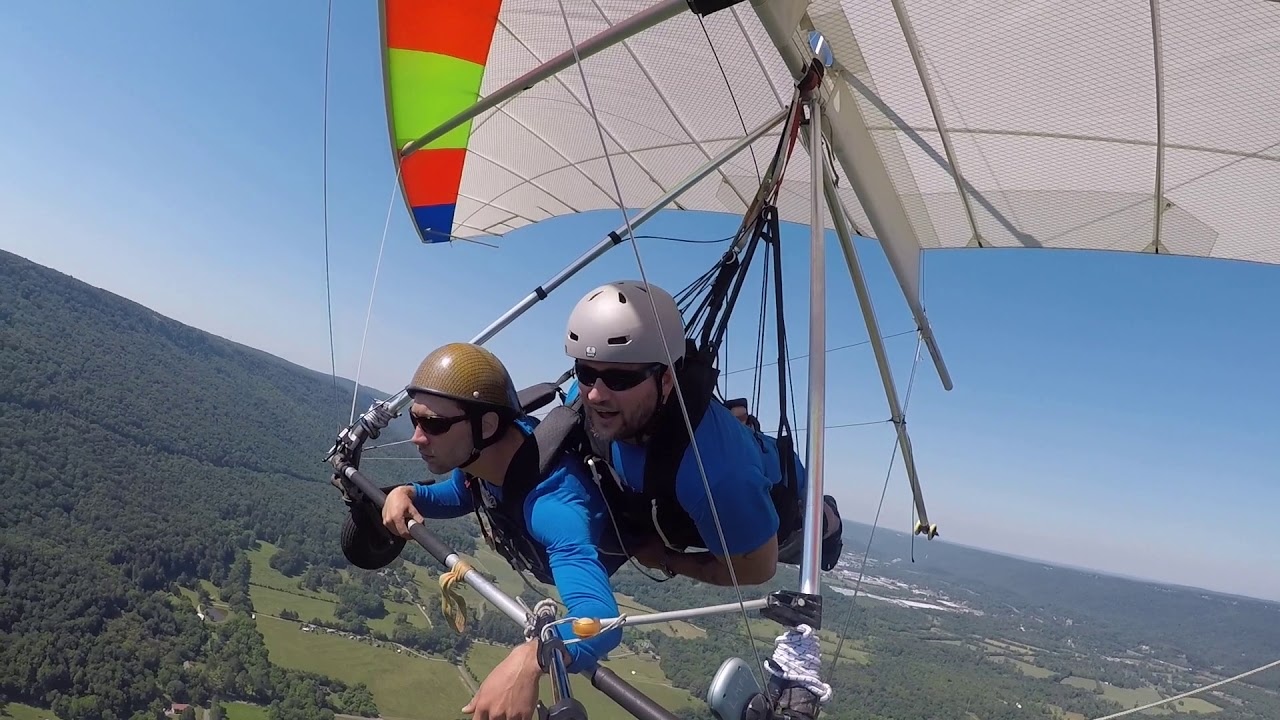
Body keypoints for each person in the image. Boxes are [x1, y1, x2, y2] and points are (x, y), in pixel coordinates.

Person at [381, 342, 624, 720]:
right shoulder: (486, 453)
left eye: (434, 424)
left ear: (488, 425)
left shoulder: (553, 509)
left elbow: (604, 621)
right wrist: (410, 492)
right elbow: (462, 492)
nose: (417, 436)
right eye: (416, 419)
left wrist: (535, 657)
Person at [563, 280, 796, 586]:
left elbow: (757, 568)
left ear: (667, 380)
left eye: (620, 378)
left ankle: (825, 516)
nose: (595, 395)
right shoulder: (581, 403)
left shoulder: (716, 475)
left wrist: (665, 559)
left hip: (776, 488)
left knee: (818, 528)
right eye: (586, 372)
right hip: (709, 469)